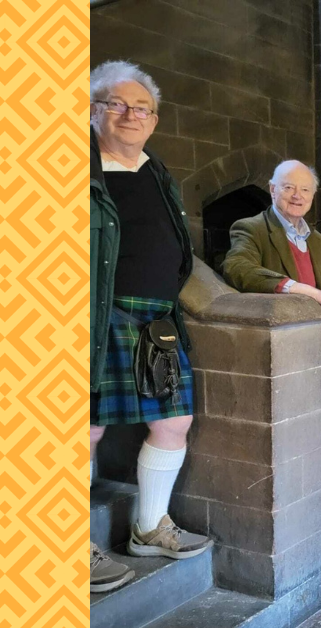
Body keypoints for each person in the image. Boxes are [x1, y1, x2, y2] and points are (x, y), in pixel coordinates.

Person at [89, 61, 211, 593]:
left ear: (155, 120)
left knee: (174, 423)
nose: (130, 114)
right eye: (117, 103)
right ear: (94, 111)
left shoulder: (156, 171)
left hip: (156, 320)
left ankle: (148, 527)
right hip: (100, 318)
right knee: (84, 430)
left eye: (142, 108)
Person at [221, 160, 321, 345]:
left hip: (315, 346)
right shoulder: (252, 228)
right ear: (272, 189)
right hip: (276, 347)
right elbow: (236, 268)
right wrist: (298, 288)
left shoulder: (318, 240)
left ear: (312, 195)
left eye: (305, 190)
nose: (297, 196)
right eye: (288, 187)